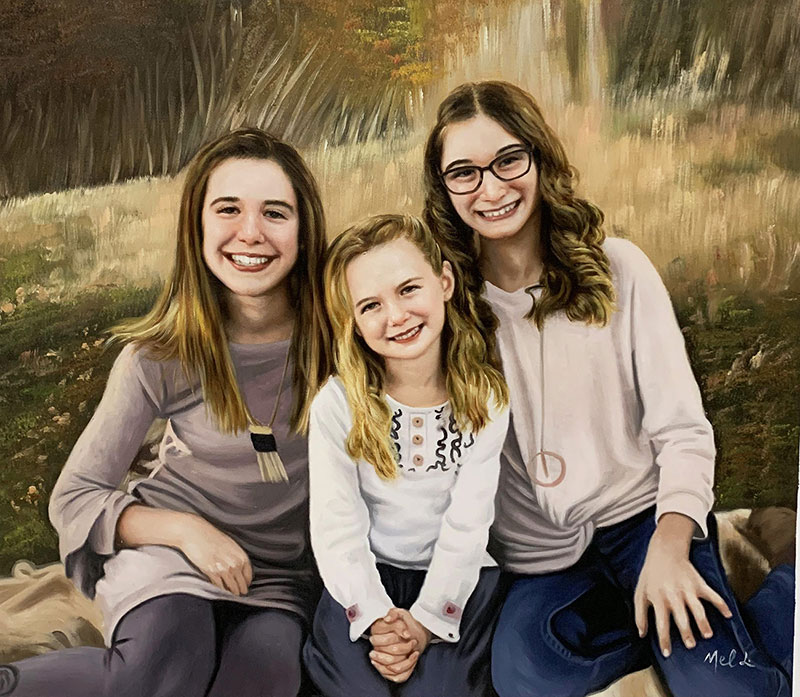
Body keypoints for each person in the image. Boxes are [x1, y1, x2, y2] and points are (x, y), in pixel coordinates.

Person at [421, 80, 795, 697]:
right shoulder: (445, 301)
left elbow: (683, 431)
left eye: (509, 159)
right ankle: (681, 631)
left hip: (647, 523)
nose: (490, 188)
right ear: (444, 188)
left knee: (723, 690)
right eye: (464, 172)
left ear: (539, 158)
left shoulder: (617, 269)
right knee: (525, 675)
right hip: (543, 559)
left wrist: (672, 547)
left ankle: (781, 594)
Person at [0, 128, 332, 697]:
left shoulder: (344, 342)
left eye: (275, 212)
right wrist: (187, 532)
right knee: (164, 671)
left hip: (276, 578)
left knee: (263, 680)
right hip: (170, 557)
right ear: (197, 226)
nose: (250, 233)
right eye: (228, 209)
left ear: (304, 229)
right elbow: (75, 496)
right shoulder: (160, 357)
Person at [302, 214, 510, 697]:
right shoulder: (337, 404)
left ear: (444, 282)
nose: (395, 316)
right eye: (371, 305)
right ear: (351, 322)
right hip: (365, 575)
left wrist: (425, 623)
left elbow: (468, 524)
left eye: (408, 289)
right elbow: (337, 527)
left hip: (457, 577)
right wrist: (376, 617)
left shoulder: (485, 398)